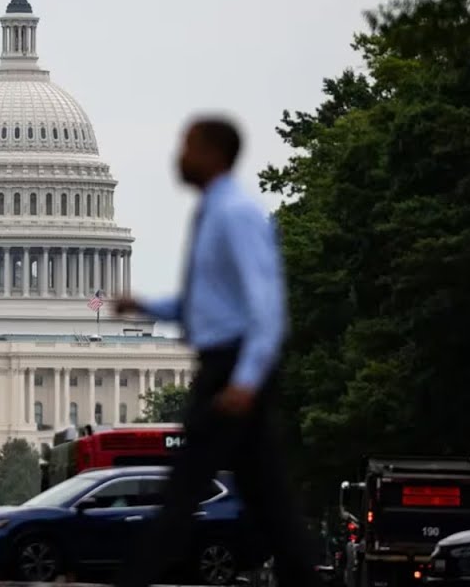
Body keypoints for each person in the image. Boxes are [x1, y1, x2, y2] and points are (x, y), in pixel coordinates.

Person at [111, 116, 317, 587]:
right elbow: (203, 304)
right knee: (271, 502)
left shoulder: (235, 214)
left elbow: (265, 307)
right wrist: (145, 306)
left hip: (232, 370)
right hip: (226, 366)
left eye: (188, 145)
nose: (178, 156)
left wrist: (246, 380)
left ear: (213, 153)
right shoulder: (211, 212)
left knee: (183, 490)